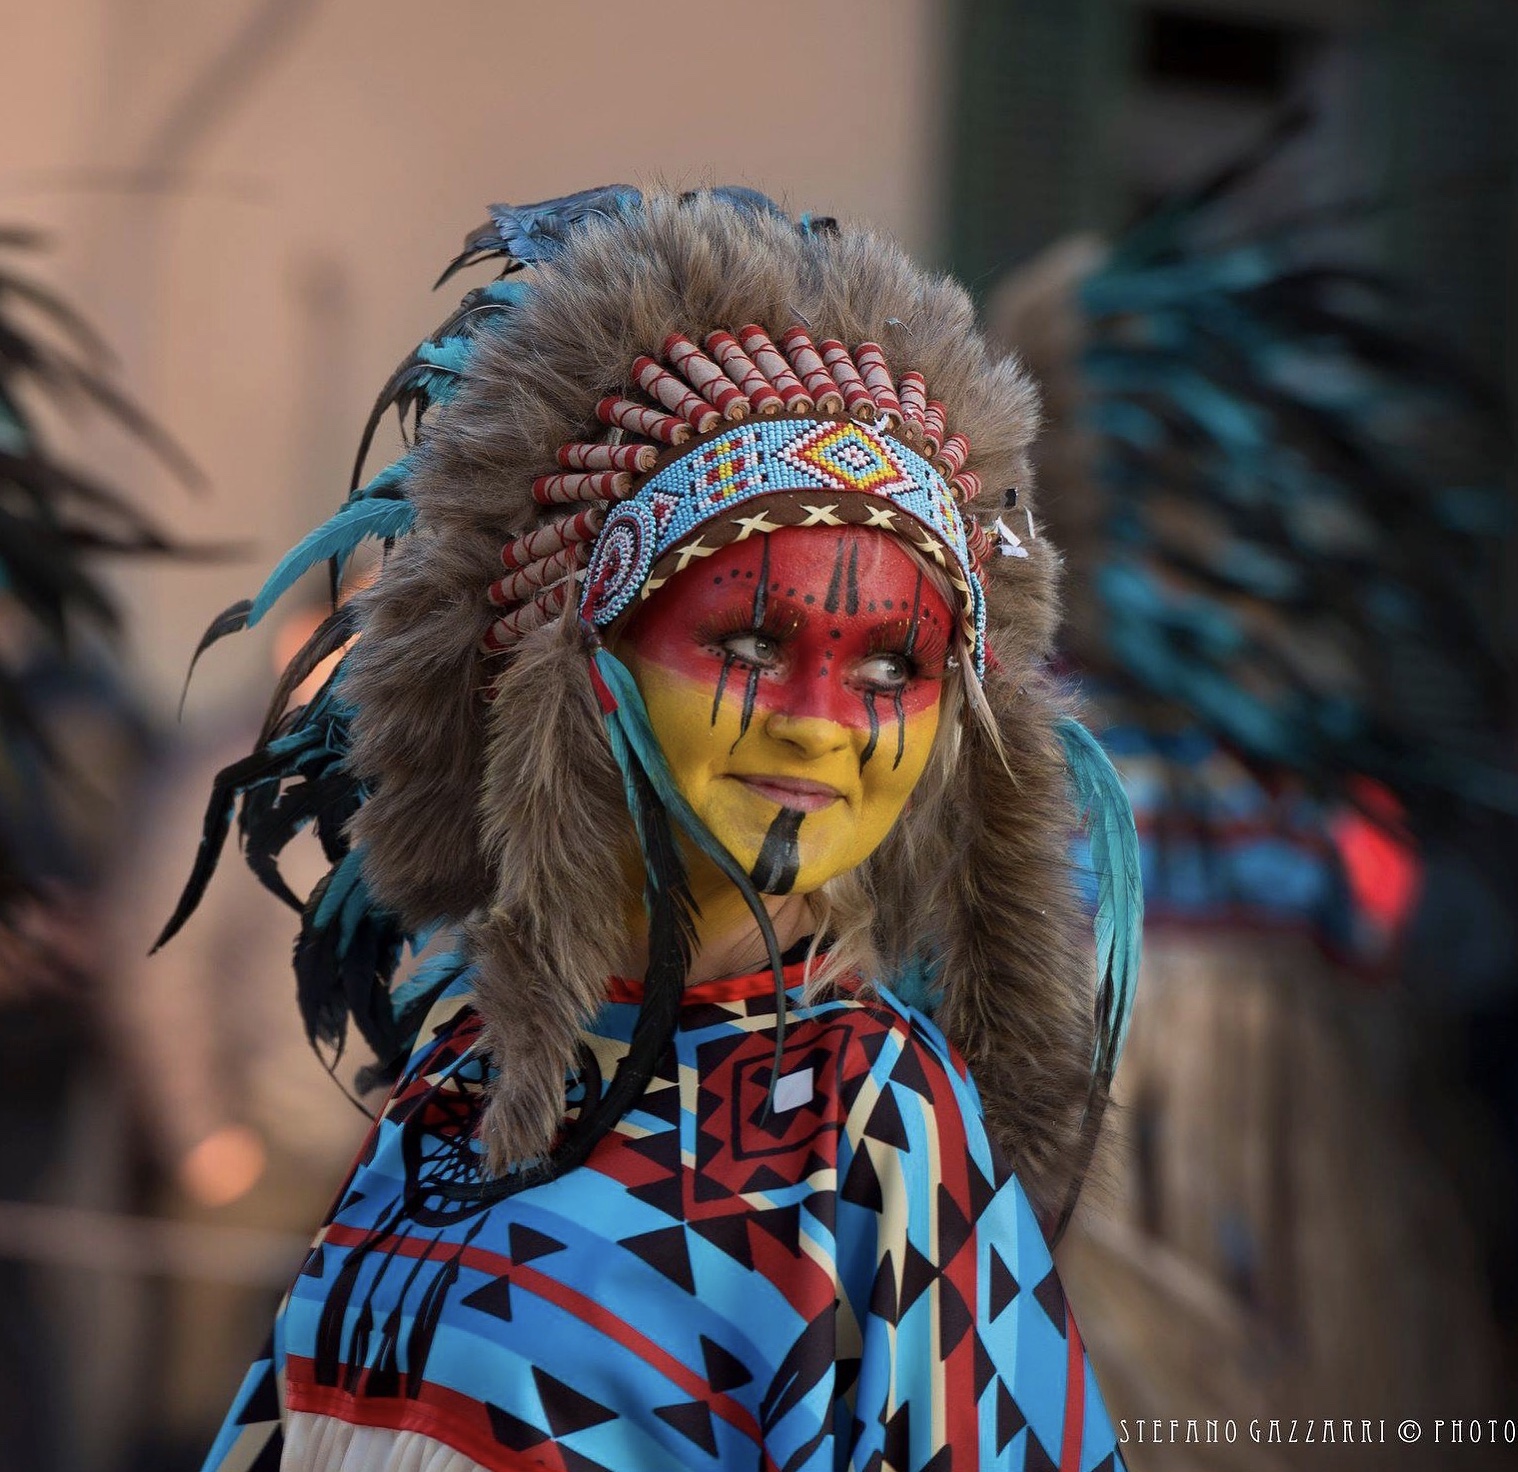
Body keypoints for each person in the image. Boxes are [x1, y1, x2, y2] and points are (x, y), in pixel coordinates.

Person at [173, 187, 1138, 1471]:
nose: (820, 724)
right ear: (580, 664)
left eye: (890, 667)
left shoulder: (867, 1120)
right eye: (749, 643)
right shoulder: (462, 1066)